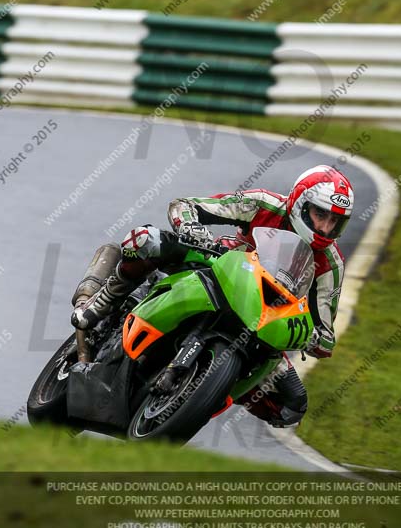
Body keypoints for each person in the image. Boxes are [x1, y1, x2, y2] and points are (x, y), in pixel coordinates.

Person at [72, 165, 354, 428]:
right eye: (320, 215)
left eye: (334, 221)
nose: (325, 228)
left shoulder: (331, 263)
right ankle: (103, 301)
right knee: (145, 239)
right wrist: (190, 227)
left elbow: (324, 331)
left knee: (292, 405)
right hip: (219, 267)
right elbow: (186, 206)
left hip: (264, 318)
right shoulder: (263, 203)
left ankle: (209, 394)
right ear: (300, 203)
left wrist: (315, 338)